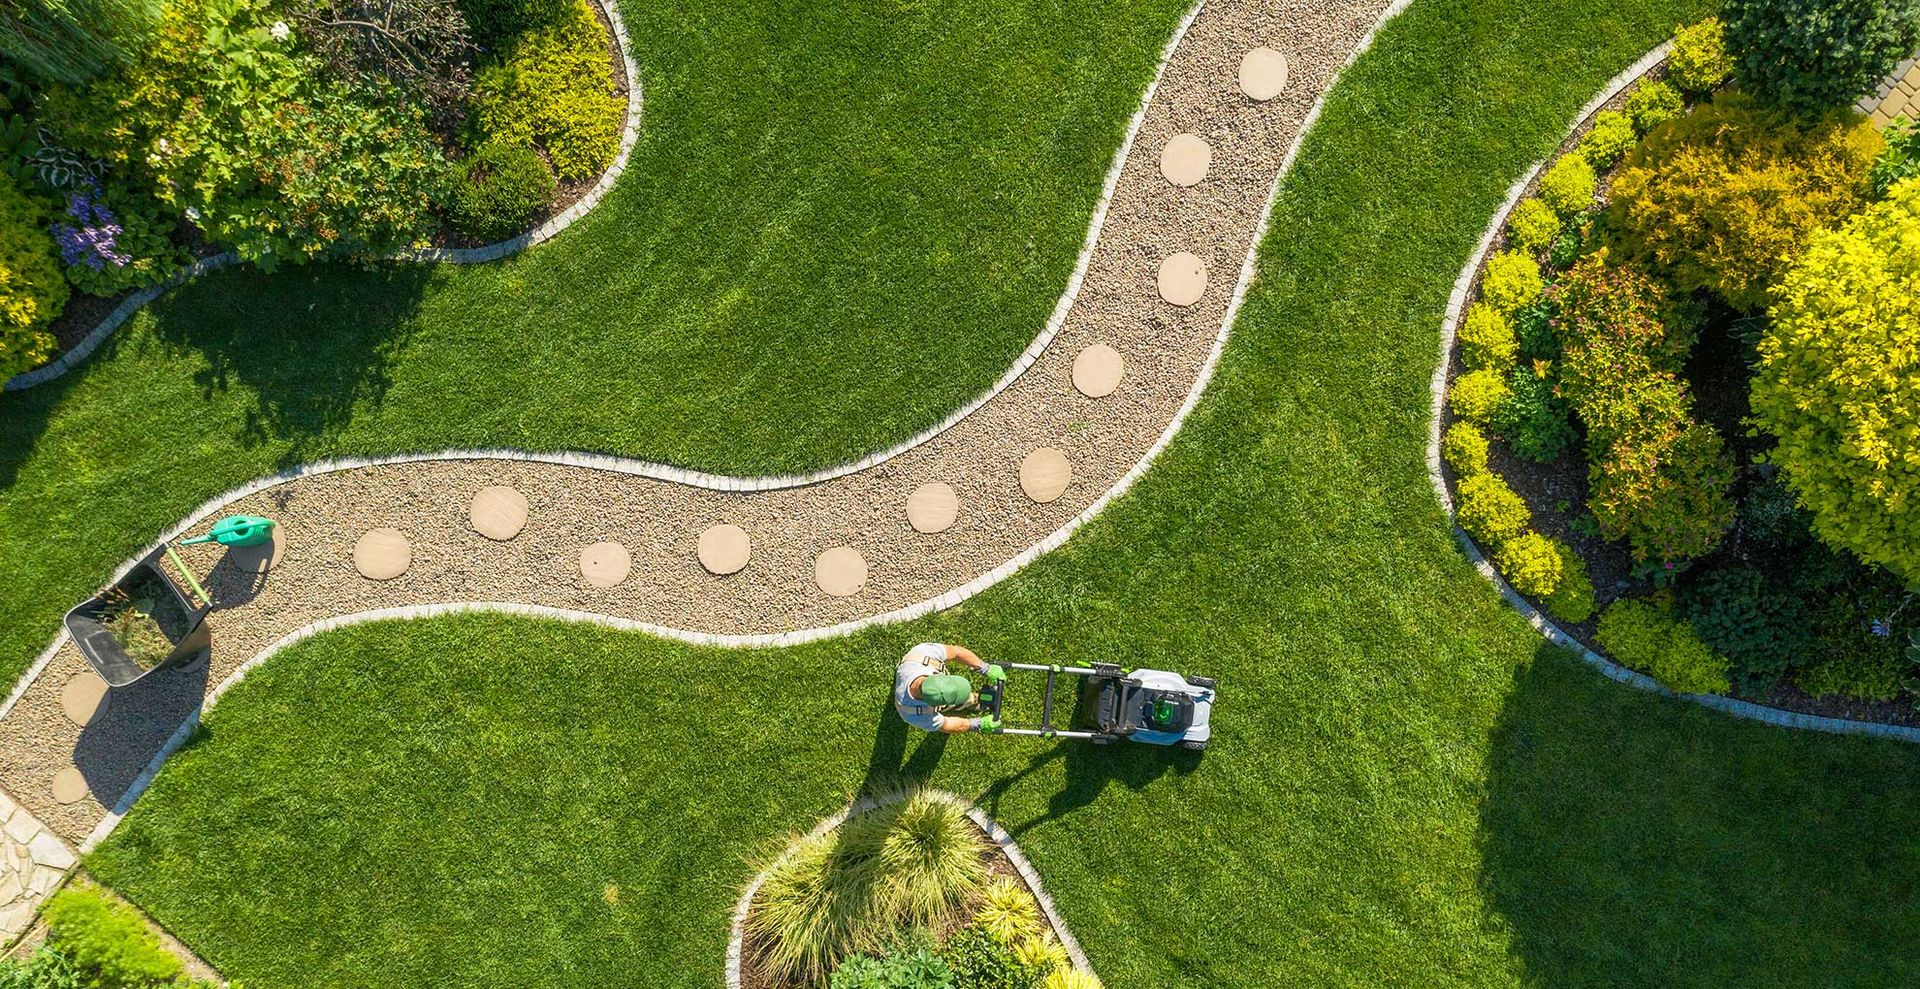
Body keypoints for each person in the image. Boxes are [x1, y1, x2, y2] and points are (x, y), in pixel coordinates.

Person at [893, 642, 1006, 733]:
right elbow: (946, 725)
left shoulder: (923, 654)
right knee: (966, 700)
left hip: (908, 669)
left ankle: (971, 699)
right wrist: (976, 724)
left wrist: (984, 667)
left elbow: (956, 652)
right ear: (935, 705)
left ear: (937, 675)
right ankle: (972, 700)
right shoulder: (913, 714)